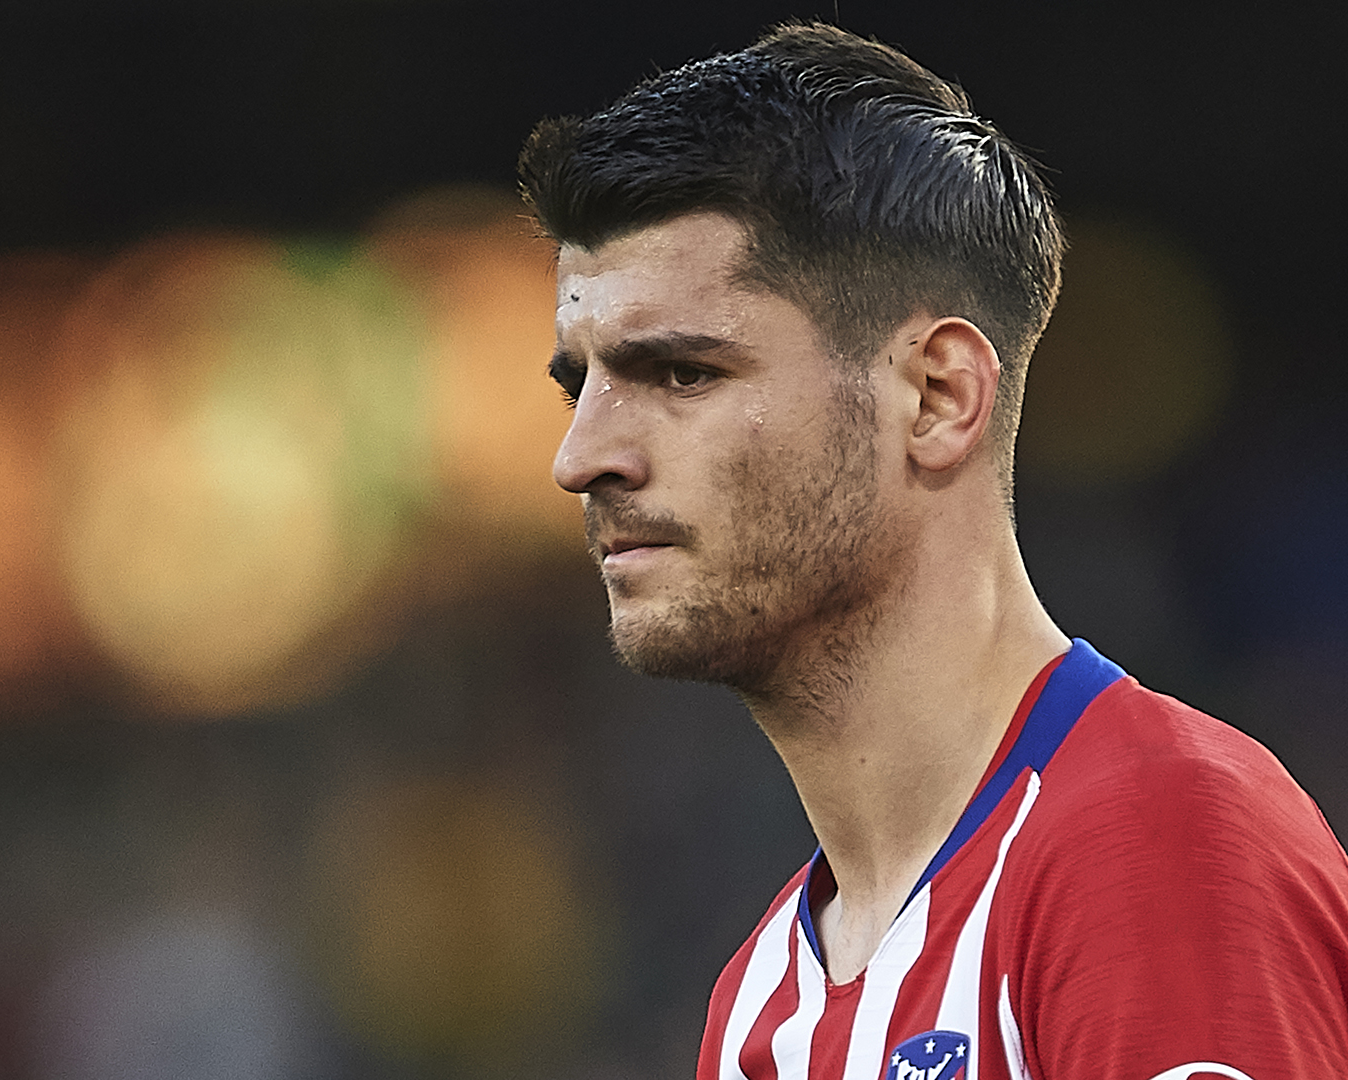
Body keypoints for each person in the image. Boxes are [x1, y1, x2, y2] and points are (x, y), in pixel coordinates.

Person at [517, 21, 1348, 1080]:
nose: (581, 458)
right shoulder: (757, 1004)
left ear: (938, 397)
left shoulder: (1153, 840)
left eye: (683, 373)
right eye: (579, 388)